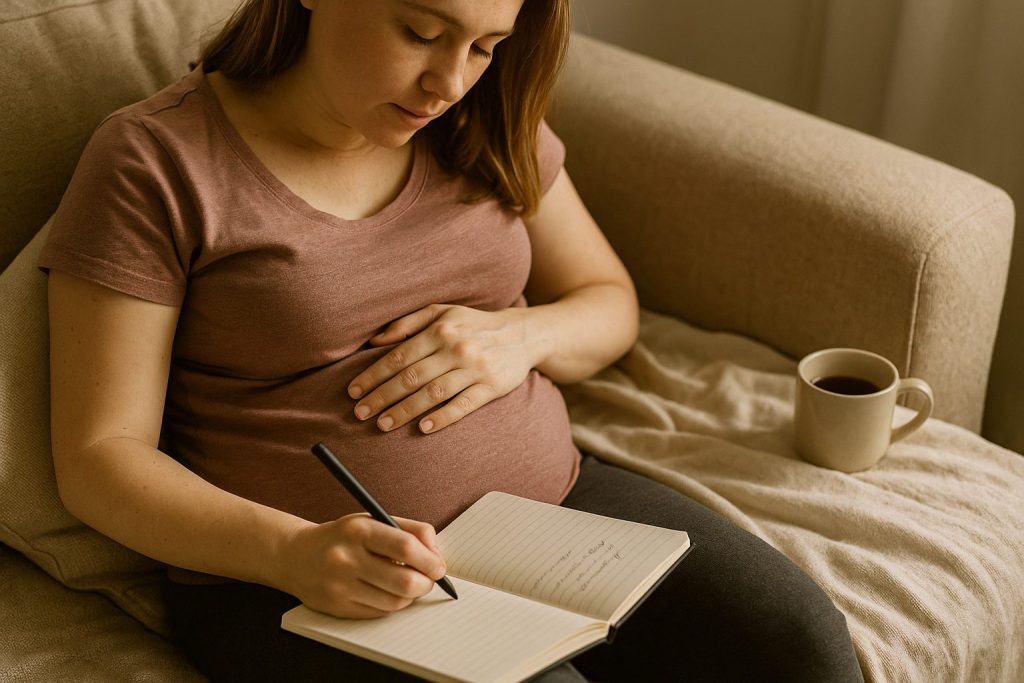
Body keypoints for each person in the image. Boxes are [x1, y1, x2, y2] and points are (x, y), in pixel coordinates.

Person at [40, 0, 864, 680]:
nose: (449, 82)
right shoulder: (156, 161)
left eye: (485, 46)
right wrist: (293, 552)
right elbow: (100, 457)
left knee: (801, 644)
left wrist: (524, 335)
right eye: (422, 33)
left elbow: (609, 301)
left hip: (551, 510)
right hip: (302, 580)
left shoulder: (484, 120)